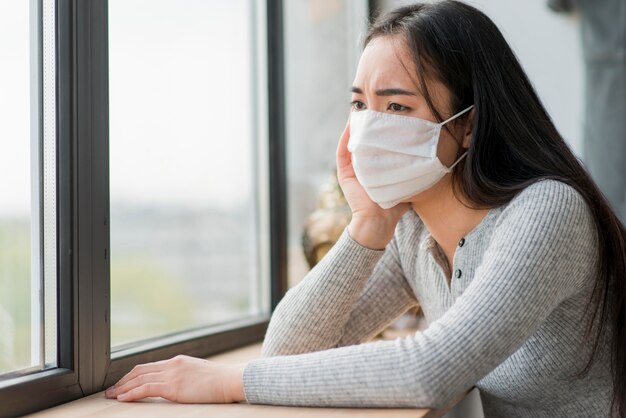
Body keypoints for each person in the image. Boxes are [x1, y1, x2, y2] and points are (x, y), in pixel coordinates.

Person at [104, 2, 626, 417]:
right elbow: (286, 354)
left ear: (468, 124)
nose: (371, 127)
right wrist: (367, 225)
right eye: (360, 105)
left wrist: (225, 381)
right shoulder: (412, 230)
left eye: (397, 106)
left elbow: (431, 369)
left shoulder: (548, 211)